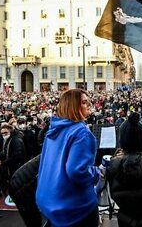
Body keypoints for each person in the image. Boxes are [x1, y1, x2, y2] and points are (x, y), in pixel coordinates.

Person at [36, 89, 101, 227]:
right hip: (75, 208)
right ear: (73, 106)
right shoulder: (81, 132)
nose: (88, 105)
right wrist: (97, 173)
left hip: (51, 203)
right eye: (84, 102)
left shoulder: (53, 131)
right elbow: (77, 171)